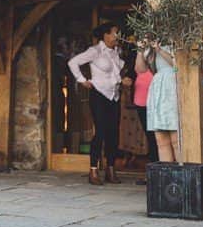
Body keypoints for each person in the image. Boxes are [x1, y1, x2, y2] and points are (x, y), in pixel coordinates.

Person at [68, 23, 133, 185]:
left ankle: (111, 170)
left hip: (114, 96)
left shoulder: (117, 52)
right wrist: (82, 80)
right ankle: (93, 170)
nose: (117, 36)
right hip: (99, 94)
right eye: (114, 33)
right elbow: (73, 62)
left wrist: (123, 80)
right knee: (101, 131)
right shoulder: (95, 51)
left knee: (113, 133)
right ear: (105, 35)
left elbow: (116, 74)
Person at [141, 41, 179, 162]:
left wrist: (159, 50)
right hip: (158, 87)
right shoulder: (152, 44)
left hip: (173, 84)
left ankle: (180, 177)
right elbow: (140, 69)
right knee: (161, 140)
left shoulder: (178, 38)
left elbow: (178, 65)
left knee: (176, 140)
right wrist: (140, 50)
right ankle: (166, 178)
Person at [132, 45, 158, 182]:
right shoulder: (144, 49)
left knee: (158, 137)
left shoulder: (162, 47)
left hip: (158, 96)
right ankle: (151, 174)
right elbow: (138, 68)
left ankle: (157, 173)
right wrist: (140, 49)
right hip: (142, 98)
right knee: (150, 137)